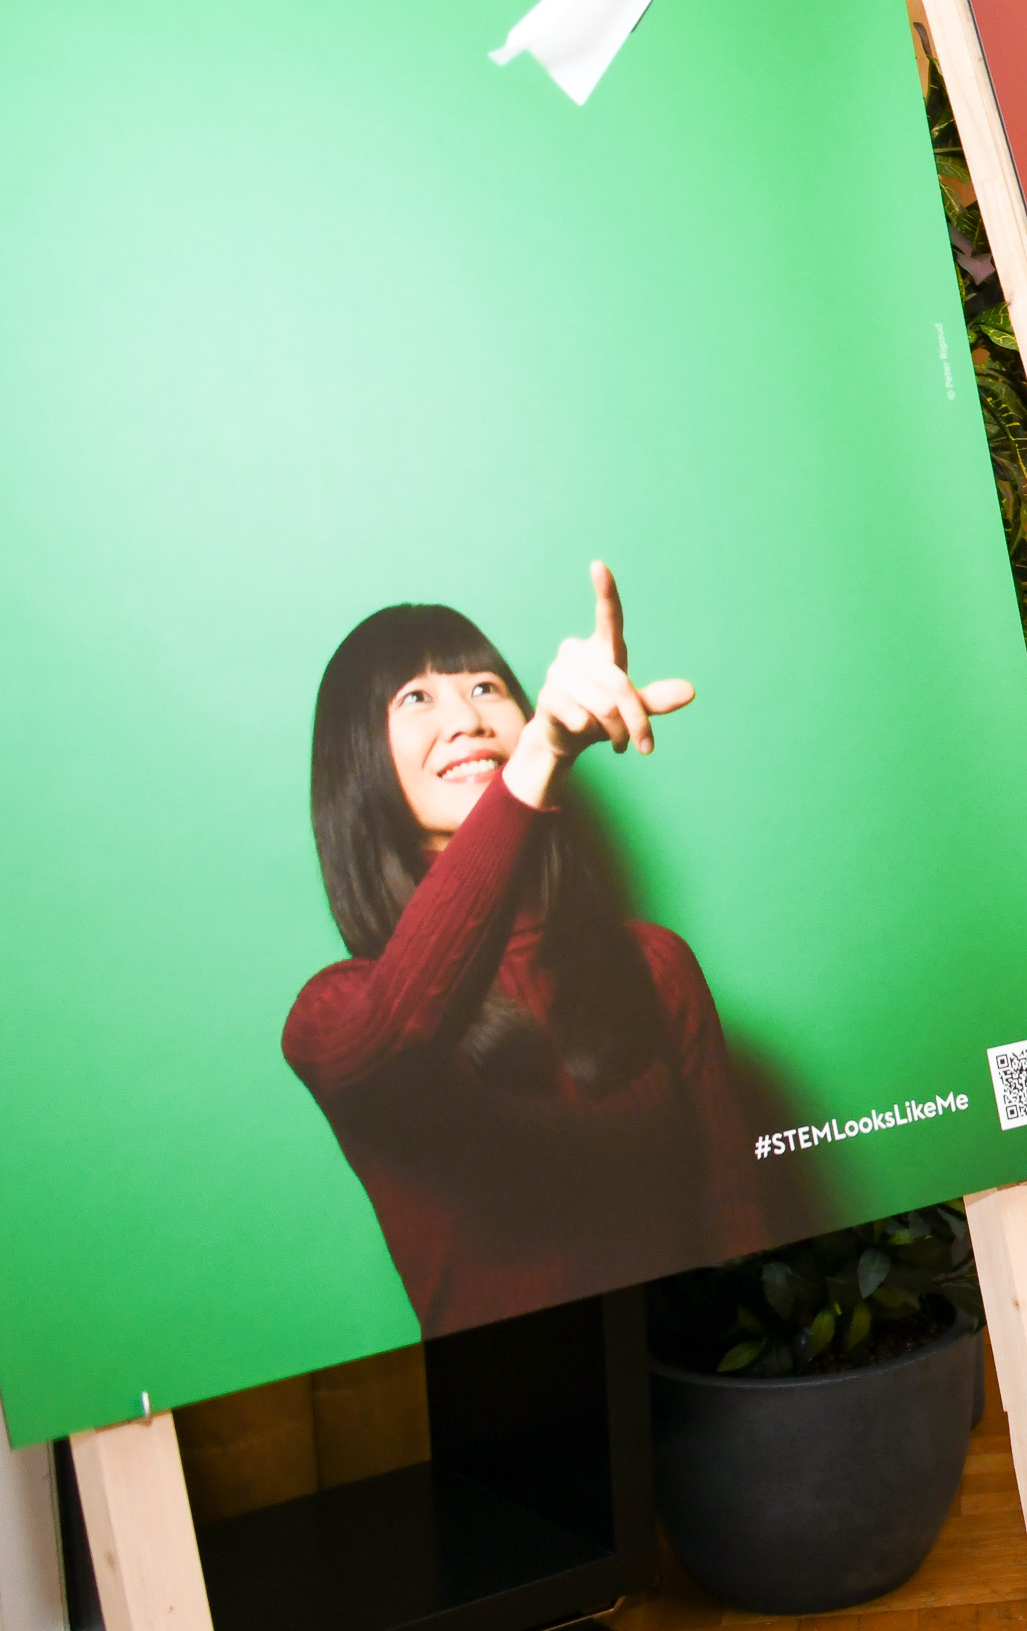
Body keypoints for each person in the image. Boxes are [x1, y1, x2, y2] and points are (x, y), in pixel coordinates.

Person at [286, 565, 753, 1336]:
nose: (467, 718)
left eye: (485, 687)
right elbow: (402, 1029)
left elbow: (739, 1218)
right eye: (416, 697)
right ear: (358, 761)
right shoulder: (331, 1013)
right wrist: (537, 757)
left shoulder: (655, 966)